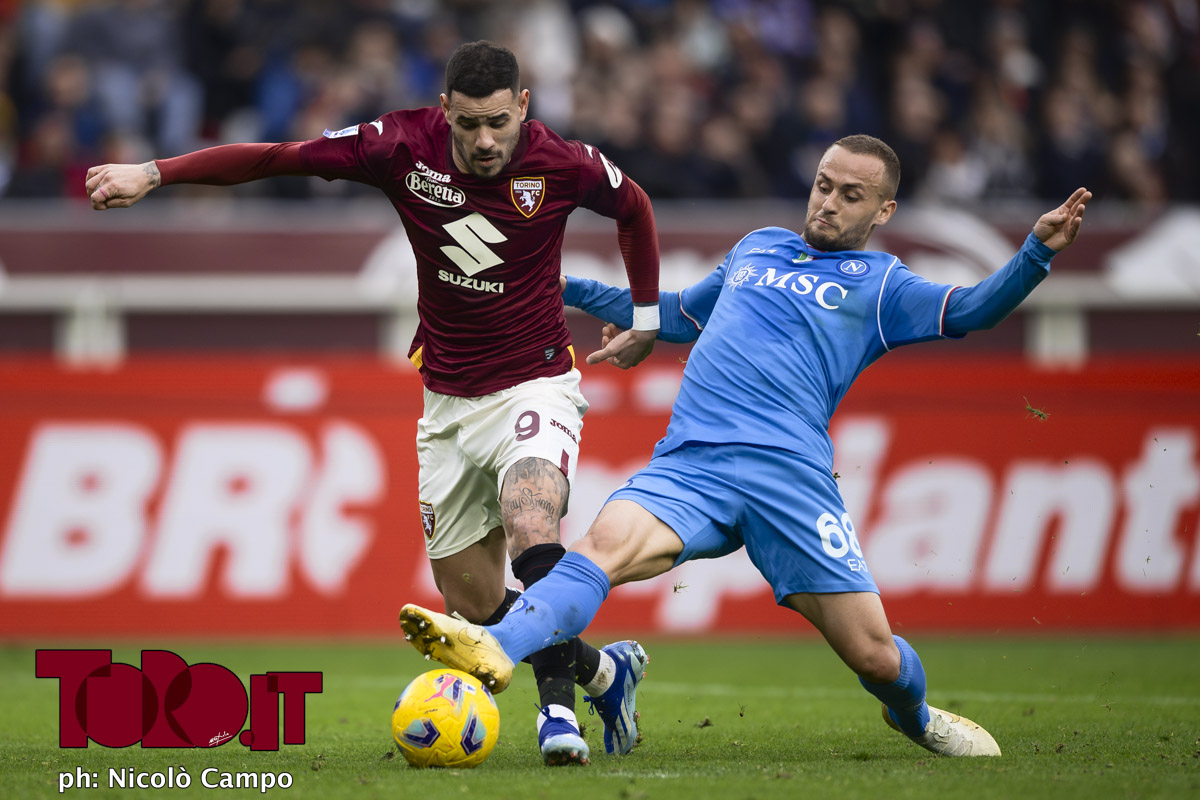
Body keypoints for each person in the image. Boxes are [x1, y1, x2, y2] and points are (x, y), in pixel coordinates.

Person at [397, 134, 1093, 758]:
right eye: (824, 185)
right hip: (692, 463)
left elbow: (972, 310)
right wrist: (572, 288)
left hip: (789, 482)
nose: (828, 204)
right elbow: (678, 316)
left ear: (882, 212)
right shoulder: (757, 246)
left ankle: (914, 718)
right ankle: (496, 649)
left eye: (852, 196)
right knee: (597, 551)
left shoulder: (883, 286)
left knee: (876, 659)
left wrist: (1036, 252)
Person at [84, 40, 660, 767]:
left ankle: (557, 718)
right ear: (443, 109)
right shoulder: (397, 146)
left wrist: (645, 322)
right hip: (447, 402)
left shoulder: (564, 162)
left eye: (498, 123)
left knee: (530, 516)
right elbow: (278, 158)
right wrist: (155, 172)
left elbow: (634, 205)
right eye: (468, 124)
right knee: (473, 605)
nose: (484, 141)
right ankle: (605, 671)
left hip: (537, 381)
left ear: (522, 107)